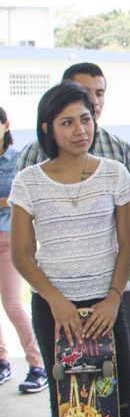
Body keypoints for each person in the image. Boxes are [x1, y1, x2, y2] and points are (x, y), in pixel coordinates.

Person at [8, 82, 130, 417]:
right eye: (67, 122)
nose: (79, 129)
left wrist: (111, 298)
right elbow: (21, 254)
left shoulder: (114, 174)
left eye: (85, 119)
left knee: (124, 402)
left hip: (111, 304)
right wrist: (57, 304)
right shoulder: (28, 181)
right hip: (56, 310)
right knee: (67, 408)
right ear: (49, 127)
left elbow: (128, 245)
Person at [0, 107, 46, 393]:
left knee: (14, 306)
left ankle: (36, 365)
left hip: (9, 240)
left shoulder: (18, 160)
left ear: (6, 125)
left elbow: (21, 200)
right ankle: (2, 361)